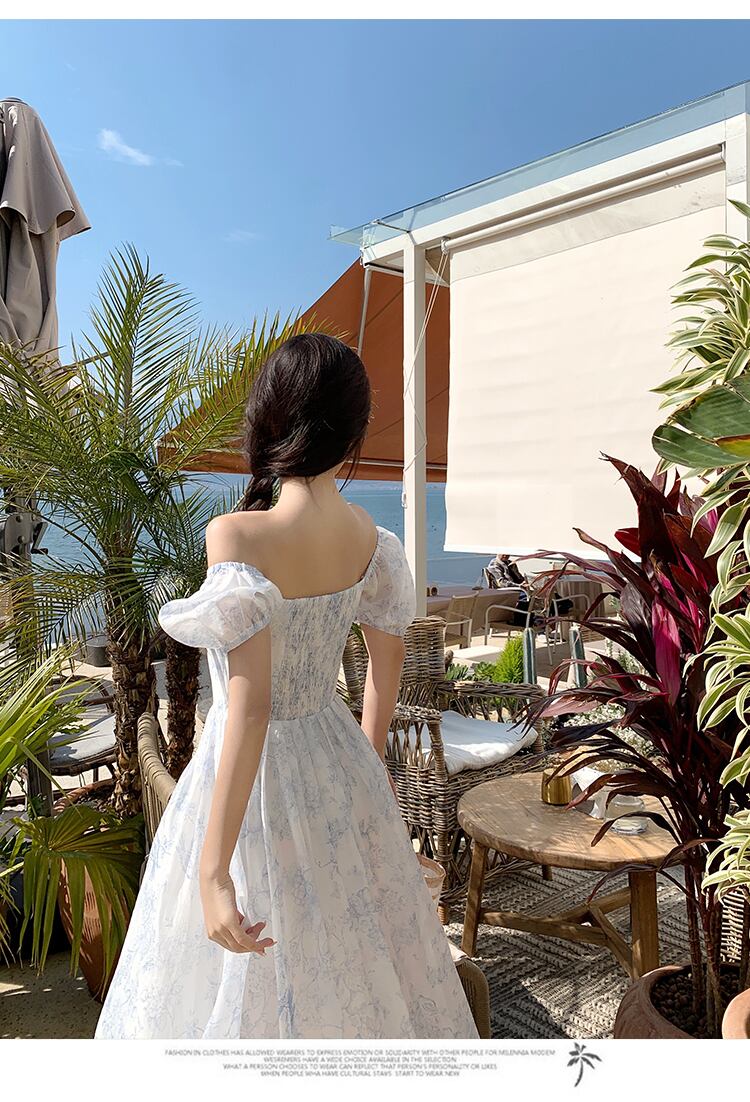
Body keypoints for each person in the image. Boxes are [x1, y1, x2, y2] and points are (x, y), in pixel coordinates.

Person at [94, 333, 479, 1041]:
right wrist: (365, 767)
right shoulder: (373, 540)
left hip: (251, 778)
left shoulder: (237, 535)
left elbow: (250, 707)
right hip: (339, 760)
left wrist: (213, 872)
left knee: (246, 962)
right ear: (355, 430)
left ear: (272, 416)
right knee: (351, 953)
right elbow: (385, 670)